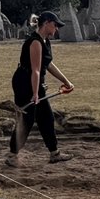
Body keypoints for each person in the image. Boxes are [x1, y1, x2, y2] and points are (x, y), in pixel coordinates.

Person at [8, 11, 75, 166]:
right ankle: (12, 155)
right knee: (27, 118)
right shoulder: (35, 42)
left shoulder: (45, 41)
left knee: (46, 117)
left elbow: (48, 64)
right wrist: (36, 93)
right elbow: (35, 70)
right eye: (55, 25)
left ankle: (54, 153)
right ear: (47, 23)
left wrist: (66, 81)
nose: (57, 29)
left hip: (34, 81)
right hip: (25, 82)